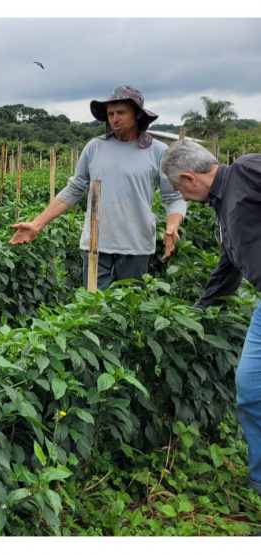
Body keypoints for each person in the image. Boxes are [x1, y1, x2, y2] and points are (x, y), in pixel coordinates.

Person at [159, 139, 261, 495]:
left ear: (189, 178)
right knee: (251, 391)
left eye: (178, 189)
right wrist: (197, 315)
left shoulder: (247, 170)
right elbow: (227, 269)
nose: (181, 198)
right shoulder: (223, 205)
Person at [9, 86, 187, 289]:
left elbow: (174, 196)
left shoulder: (158, 151)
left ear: (138, 114)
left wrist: (172, 225)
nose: (114, 119)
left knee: (130, 312)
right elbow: (74, 188)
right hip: (95, 245)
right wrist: (36, 224)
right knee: (94, 312)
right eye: (110, 114)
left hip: (137, 246)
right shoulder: (95, 147)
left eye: (121, 112)